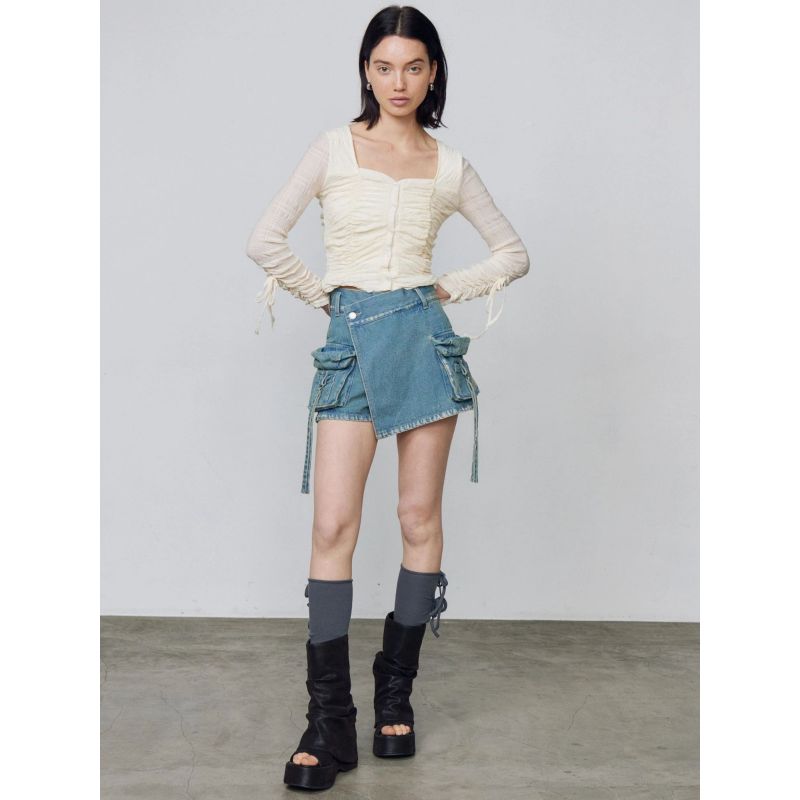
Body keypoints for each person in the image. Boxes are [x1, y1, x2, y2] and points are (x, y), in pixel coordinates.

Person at [245, 5, 530, 791]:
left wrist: (444, 290)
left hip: (422, 340)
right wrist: (331, 301)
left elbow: (512, 253)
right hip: (351, 342)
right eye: (383, 66)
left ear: (433, 74)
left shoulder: (450, 165)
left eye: (412, 67)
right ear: (365, 71)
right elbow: (264, 239)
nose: (397, 82)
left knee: (417, 519)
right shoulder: (333, 148)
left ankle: (395, 695)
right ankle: (328, 719)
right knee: (333, 524)